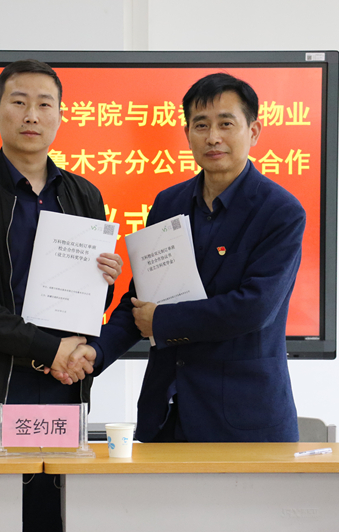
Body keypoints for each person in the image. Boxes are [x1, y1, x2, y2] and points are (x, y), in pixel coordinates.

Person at [0, 59, 122, 532]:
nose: (32, 115)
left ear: (61, 115)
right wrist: (46, 347)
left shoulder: (84, 195)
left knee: (55, 519)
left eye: (44, 104)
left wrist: (106, 280)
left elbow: (88, 304)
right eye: (18, 102)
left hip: (61, 392)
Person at [75, 72, 305, 443]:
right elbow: (141, 298)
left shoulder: (280, 211)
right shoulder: (169, 203)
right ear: (187, 134)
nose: (213, 137)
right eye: (201, 125)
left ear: (254, 131)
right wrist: (95, 352)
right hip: (167, 414)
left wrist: (161, 320)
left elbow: (254, 307)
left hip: (244, 420)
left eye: (226, 124)